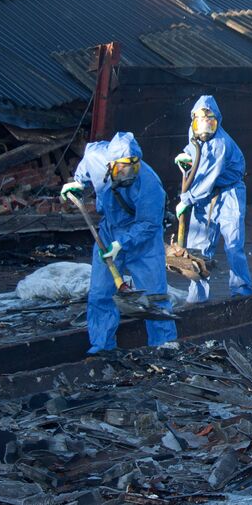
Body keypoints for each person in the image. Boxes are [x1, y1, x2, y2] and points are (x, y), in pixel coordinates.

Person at [59, 132, 178, 354]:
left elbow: (148, 224)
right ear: (109, 164)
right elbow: (84, 171)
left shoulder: (150, 184)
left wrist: (121, 245)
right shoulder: (95, 157)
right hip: (109, 230)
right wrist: (76, 183)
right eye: (121, 168)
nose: (127, 174)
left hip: (143, 239)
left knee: (154, 295)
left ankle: (164, 346)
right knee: (100, 292)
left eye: (131, 168)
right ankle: (102, 345)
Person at [173, 95, 252, 303]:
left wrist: (187, 199)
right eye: (201, 121)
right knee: (199, 247)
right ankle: (197, 295)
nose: (205, 126)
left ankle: (241, 291)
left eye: (210, 121)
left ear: (217, 121)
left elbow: (209, 177)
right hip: (205, 197)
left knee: (234, 245)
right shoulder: (194, 135)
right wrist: (186, 157)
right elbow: (195, 155)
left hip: (229, 193)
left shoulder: (221, 143)